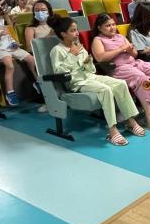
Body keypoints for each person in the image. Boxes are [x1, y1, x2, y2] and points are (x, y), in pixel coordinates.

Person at [49, 15, 144, 146]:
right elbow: (59, 72)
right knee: (106, 90)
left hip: (90, 77)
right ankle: (112, 130)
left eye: (77, 30)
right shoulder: (57, 50)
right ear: (63, 34)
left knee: (121, 84)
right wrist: (72, 55)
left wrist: (88, 62)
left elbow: (90, 69)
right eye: (72, 31)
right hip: (77, 83)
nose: (77, 33)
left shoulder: (78, 46)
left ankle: (130, 121)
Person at [91, 13, 150, 132]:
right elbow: (100, 58)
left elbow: (135, 54)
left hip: (135, 63)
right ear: (99, 27)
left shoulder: (120, 36)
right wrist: (121, 49)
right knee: (142, 79)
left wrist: (130, 49)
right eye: (108, 25)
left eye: (113, 24)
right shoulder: (98, 40)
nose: (112, 27)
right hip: (118, 69)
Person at [0, 5, 39, 106]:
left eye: (1, 17)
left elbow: (9, 40)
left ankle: (37, 81)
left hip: (9, 48)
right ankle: (10, 92)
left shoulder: (4, 28)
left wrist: (14, 44)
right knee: (9, 64)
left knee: (32, 59)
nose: (0, 20)